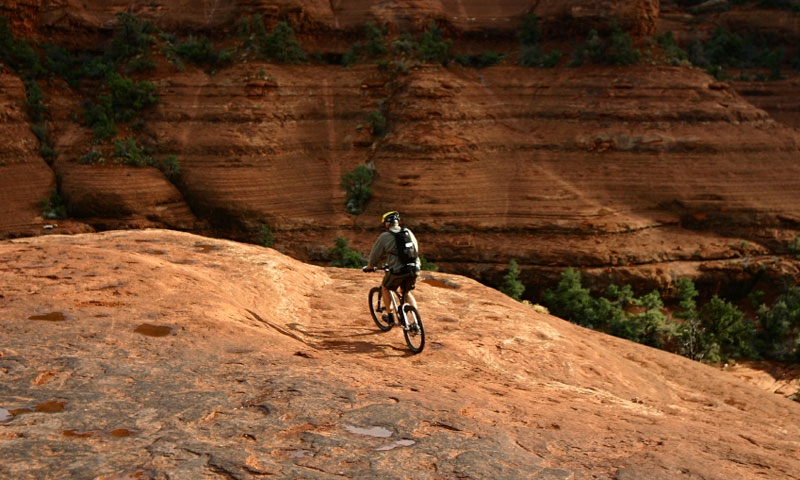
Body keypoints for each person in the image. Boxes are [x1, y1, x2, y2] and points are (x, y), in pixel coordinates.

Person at [363, 211, 421, 325]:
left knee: (385, 287)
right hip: (414, 268)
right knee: (406, 293)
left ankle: (390, 316)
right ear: (397, 222)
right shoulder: (408, 232)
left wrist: (370, 266)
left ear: (387, 224)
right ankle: (416, 322)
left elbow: (375, 255)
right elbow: (416, 249)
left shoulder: (385, 236)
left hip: (398, 270)